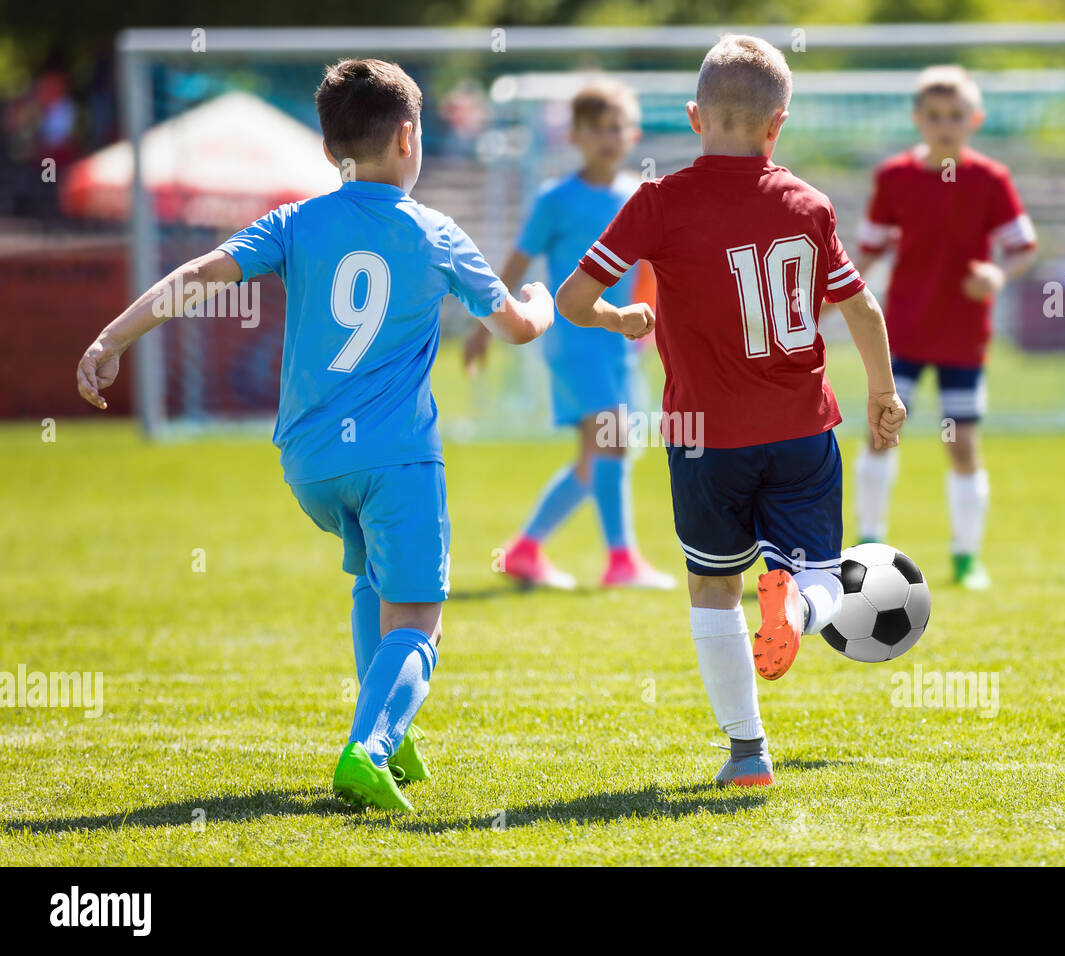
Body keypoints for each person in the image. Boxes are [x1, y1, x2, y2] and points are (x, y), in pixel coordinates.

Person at [75, 59, 554, 812]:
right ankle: (367, 749)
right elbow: (519, 331)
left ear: (331, 151)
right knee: (420, 619)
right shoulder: (436, 233)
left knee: (371, 582)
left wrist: (112, 337)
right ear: (407, 137)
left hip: (311, 463)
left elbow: (201, 274)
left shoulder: (297, 221)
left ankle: (389, 731)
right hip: (397, 458)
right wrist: (540, 298)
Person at [555, 36, 905, 788]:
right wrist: (883, 394)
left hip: (703, 437)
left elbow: (571, 301)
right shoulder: (809, 203)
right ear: (778, 125)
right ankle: (798, 612)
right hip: (805, 427)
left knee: (713, 587)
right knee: (818, 575)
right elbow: (861, 306)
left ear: (693, 117)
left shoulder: (656, 203)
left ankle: (748, 754)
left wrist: (622, 322)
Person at [464, 81, 673, 591]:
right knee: (615, 438)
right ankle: (621, 561)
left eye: (617, 127)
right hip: (575, 340)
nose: (609, 137)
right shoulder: (554, 198)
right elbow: (514, 260)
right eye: (597, 129)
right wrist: (484, 326)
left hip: (620, 342)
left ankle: (524, 550)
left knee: (598, 454)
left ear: (634, 133)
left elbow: (652, 269)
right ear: (575, 136)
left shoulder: (638, 196)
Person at [853, 65, 1037, 590]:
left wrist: (997, 273)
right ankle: (868, 544)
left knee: (962, 444)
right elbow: (866, 250)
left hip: (962, 337)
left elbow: (1023, 249)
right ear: (917, 119)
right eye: (934, 116)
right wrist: (825, 302)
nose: (945, 124)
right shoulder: (893, 178)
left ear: (974, 119)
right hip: (902, 332)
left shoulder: (990, 179)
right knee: (883, 432)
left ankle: (965, 557)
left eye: (955, 115)